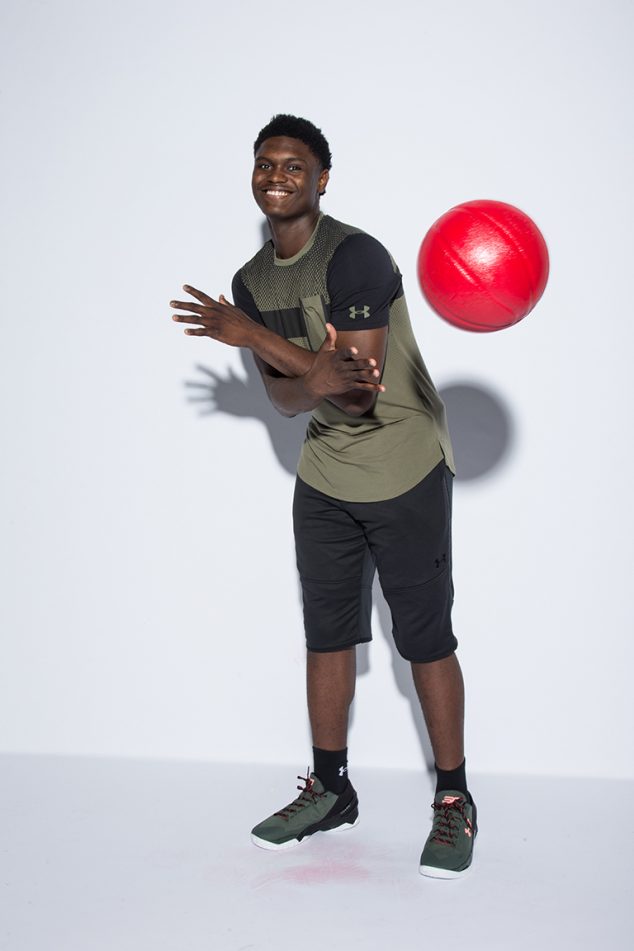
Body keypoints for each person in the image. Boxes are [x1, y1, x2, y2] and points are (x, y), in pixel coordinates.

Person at [170, 114, 476, 878]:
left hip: (403, 466)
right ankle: (332, 787)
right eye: (266, 164)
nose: (277, 176)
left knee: (424, 637)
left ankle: (453, 798)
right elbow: (288, 401)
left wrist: (256, 340)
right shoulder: (251, 282)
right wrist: (295, 366)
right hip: (325, 480)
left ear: (322, 178)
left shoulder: (357, 256)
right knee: (326, 634)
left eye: (295, 166)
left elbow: (360, 392)